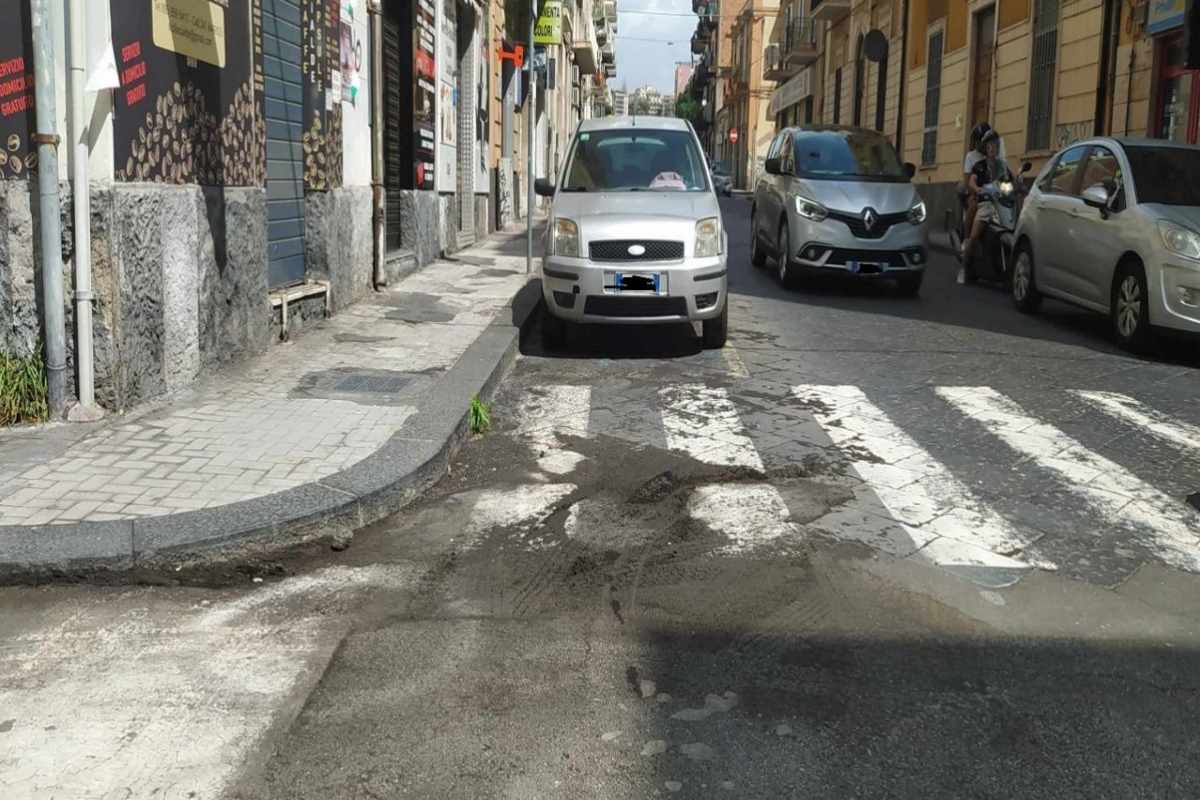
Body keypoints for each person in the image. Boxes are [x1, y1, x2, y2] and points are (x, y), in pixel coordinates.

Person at [960, 128, 1009, 265]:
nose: (993, 148)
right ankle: (965, 266)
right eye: (990, 145)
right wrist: (977, 189)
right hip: (986, 204)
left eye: (996, 145)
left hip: (1000, 204)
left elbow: (1010, 183)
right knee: (974, 236)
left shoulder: (1002, 166)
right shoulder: (979, 165)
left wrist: (1019, 188)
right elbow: (971, 181)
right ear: (985, 147)